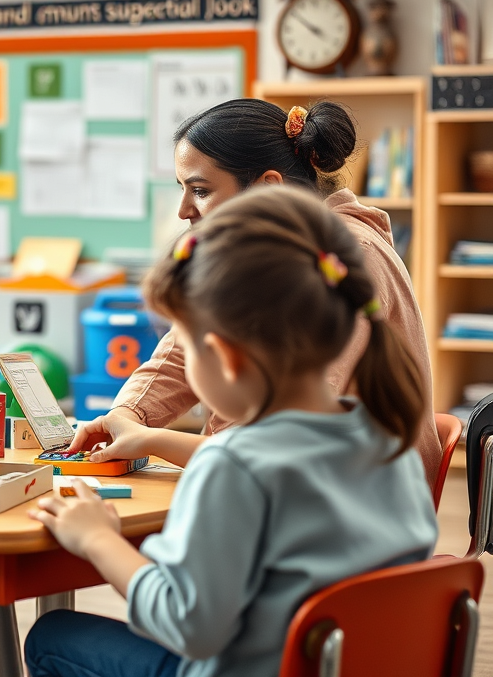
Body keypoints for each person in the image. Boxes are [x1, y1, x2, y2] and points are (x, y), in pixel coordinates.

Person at [24, 185, 438, 677]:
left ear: (224, 357)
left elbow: (188, 625)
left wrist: (97, 539)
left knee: (51, 636)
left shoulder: (232, 465)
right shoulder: (389, 439)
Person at [78, 99, 441, 489]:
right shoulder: (263, 250)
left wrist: (153, 440)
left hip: (345, 497)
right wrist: (127, 415)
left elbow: (284, 442)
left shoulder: (341, 258)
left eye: (199, 190)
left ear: (268, 189)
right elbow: (182, 350)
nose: (184, 210)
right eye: (183, 189)